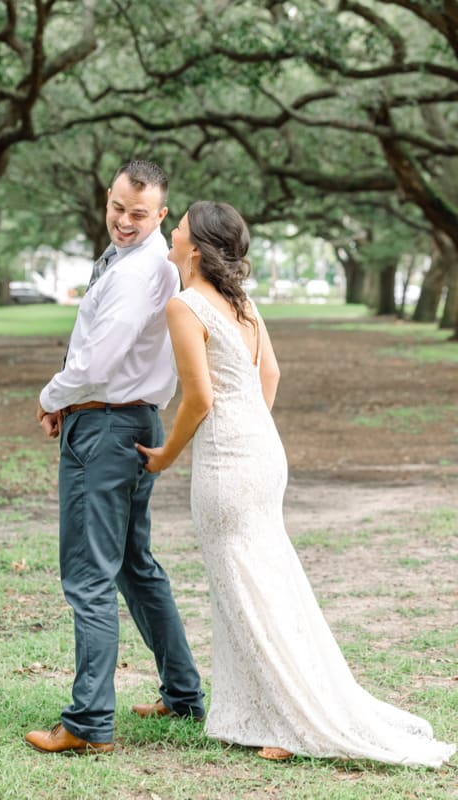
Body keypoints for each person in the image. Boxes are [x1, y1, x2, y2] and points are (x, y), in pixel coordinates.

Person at [135, 201, 455, 767]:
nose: (172, 232)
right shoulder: (240, 302)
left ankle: (287, 719)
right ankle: (256, 712)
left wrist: (164, 456)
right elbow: (270, 374)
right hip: (262, 449)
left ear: (196, 246)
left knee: (244, 589)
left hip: (227, 462)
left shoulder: (184, 306)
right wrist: (252, 425)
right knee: (265, 583)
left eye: (178, 226)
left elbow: (201, 398)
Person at [26, 160, 205, 755]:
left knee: (88, 577)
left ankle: (88, 724)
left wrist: (53, 396)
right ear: (109, 198)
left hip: (104, 428)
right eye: (118, 209)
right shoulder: (136, 263)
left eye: (139, 214)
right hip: (123, 420)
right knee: (134, 566)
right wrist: (70, 401)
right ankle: (182, 694)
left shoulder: (139, 273)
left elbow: (97, 364)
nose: (125, 222)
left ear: (160, 214)